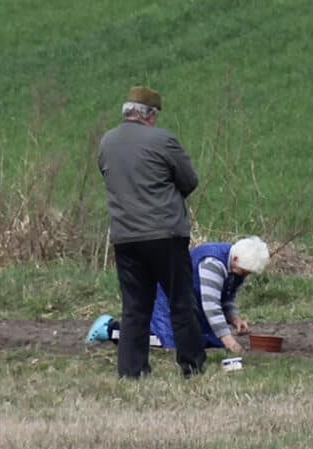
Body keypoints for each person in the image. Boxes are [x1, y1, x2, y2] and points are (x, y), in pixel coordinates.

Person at [97, 85, 205, 379]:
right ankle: (191, 365)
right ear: (150, 114)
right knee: (180, 301)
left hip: (125, 237)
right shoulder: (163, 140)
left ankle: (132, 370)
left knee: (134, 307)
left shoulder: (106, 142)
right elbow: (189, 181)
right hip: (165, 234)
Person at [87, 236, 270, 354]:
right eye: (244, 272)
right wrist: (230, 342)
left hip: (193, 303)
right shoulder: (212, 264)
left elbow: (226, 298)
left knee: (206, 342)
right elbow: (211, 306)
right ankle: (110, 329)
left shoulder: (236, 265)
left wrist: (235, 319)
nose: (244, 276)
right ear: (235, 259)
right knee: (166, 342)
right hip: (169, 298)